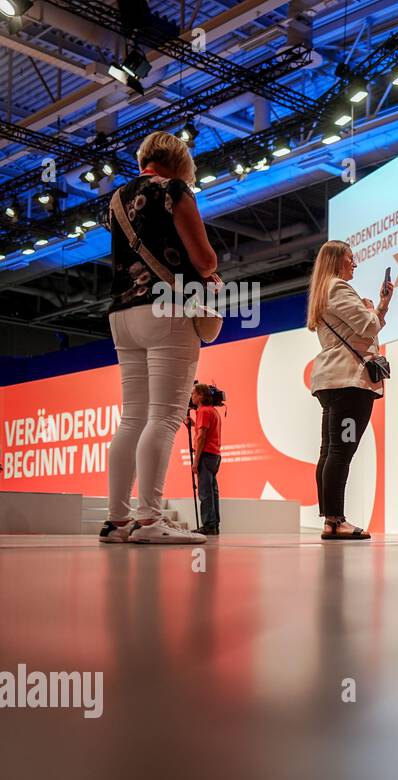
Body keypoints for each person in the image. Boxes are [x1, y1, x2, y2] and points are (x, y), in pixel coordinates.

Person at [99, 131, 219, 545]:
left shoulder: (115, 200)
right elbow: (204, 259)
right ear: (177, 159)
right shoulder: (173, 189)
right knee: (165, 417)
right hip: (167, 307)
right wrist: (210, 273)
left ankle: (116, 521)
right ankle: (150, 521)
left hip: (122, 313)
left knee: (131, 418)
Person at [306, 240, 392, 541]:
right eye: (350, 259)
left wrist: (381, 305)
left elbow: (366, 326)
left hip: (333, 383)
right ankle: (335, 520)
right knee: (341, 451)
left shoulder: (322, 291)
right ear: (336, 261)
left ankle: (330, 520)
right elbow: (368, 327)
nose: (354, 264)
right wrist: (371, 309)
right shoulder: (339, 288)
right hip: (349, 383)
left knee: (330, 451)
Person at [190, 383, 223, 536]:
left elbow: (202, 437)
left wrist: (196, 461)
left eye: (194, 394)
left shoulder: (203, 411)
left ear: (201, 396)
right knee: (212, 491)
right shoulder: (213, 412)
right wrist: (194, 425)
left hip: (206, 455)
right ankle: (214, 524)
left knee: (204, 492)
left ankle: (208, 525)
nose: (192, 397)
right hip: (215, 456)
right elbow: (205, 431)